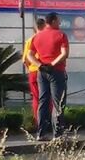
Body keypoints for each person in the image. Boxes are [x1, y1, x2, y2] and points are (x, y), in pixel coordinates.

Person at [26, 12, 69, 141]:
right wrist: (52, 64)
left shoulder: (37, 37)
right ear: (54, 21)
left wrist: (40, 65)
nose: (60, 23)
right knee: (58, 102)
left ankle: (41, 133)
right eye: (59, 20)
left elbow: (29, 55)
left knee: (43, 101)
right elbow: (64, 54)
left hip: (41, 72)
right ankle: (58, 134)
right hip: (57, 71)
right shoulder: (61, 35)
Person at [21, 18, 46, 123]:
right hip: (45, 70)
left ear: (34, 28)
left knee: (36, 97)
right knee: (47, 97)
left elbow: (24, 60)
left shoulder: (29, 41)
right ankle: (48, 121)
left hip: (33, 71)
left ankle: (38, 121)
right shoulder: (46, 39)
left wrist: (31, 68)